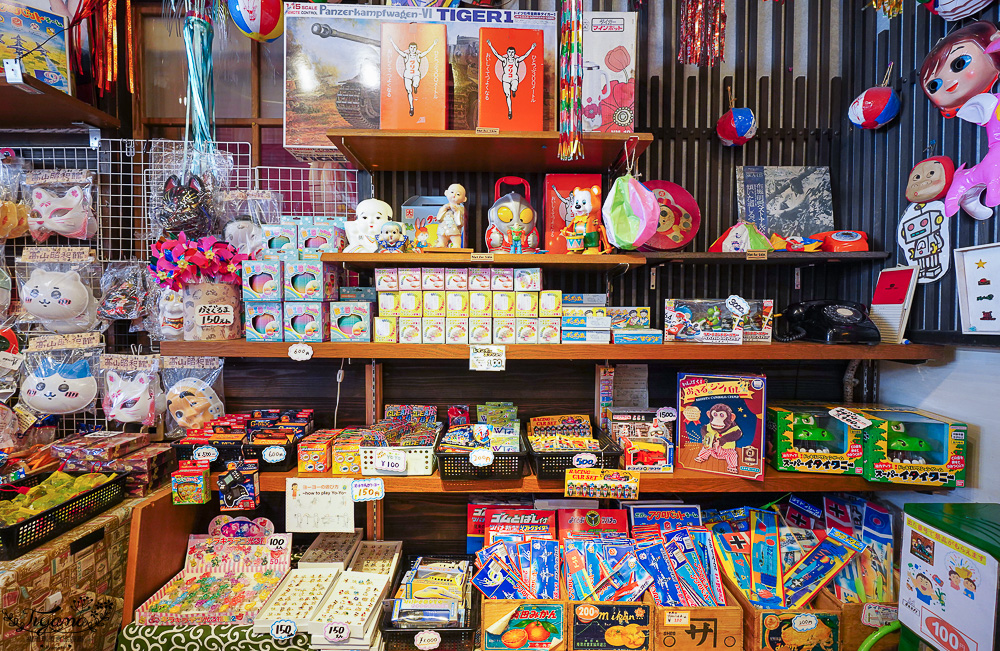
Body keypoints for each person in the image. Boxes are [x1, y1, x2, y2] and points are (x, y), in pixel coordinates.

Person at [487, 40, 537, 119]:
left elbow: (525, 56)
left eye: (512, 52)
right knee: (507, 95)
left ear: (514, 53)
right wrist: (490, 45)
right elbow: (496, 54)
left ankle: (514, 90)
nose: (511, 54)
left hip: (514, 78)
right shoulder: (504, 60)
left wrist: (531, 48)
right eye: (509, 52)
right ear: (507, 53)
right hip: (506, 79)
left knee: (514, 88)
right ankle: (510, 111)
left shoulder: (516, 60)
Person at [390, 39, 439, 117]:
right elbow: (397, 50)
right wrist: (392, 41)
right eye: (411, 47)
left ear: (416, 49)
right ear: (409, 48)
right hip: (407, 76)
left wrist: (433, 44)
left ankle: (415, 87)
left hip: (416, 75)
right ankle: (412, 108)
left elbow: (427, 51)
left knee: (416, 84)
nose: (413, 49)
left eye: (414, 48)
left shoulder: (418, 56)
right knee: (409, 91)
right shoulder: (406, 56)